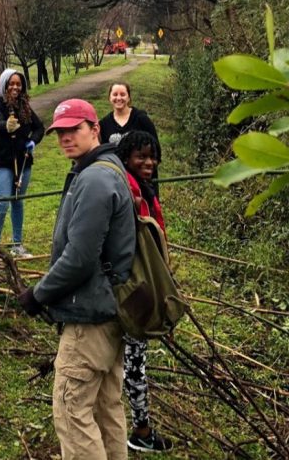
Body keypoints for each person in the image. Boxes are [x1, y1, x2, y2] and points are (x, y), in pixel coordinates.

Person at [17, 99, 135, 460]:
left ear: (94, 129)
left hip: (90, 317)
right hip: (108, 309)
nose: (65, 138)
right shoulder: (103, 168)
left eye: (74, 129)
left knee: (71, 411)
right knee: (104, 407)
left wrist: (38, 294)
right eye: (60, 132)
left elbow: (80, 258)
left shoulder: (96, 178)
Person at [114, 131, 173, 453]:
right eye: (141, 157)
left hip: (143, 283)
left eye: (153, 157)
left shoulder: (143, 187)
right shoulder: (128, 188)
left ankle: (138, 425)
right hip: (135, 286)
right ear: (126, 158)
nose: (149, 162)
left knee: (131, 357)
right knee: (135, 360)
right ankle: (141, 430)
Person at [0, 68, 44, 257]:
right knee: (3, 201)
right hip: (3, 161)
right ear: (4, 85)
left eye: (18, 84)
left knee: (18, 201)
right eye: (11, 83)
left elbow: (39, 128)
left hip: (23, 161)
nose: (15, 87)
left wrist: (32, 141)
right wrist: (6, 125)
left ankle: (17, 244)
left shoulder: (25, 107)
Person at [99, 82, 161, 194]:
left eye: (123, 94)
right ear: (109, 98)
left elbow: (156, 149)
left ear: (128, 97)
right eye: (115, 94)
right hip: (116, 180)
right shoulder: (104, 124)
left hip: (142, 181)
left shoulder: (142, 119)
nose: (119, 98)